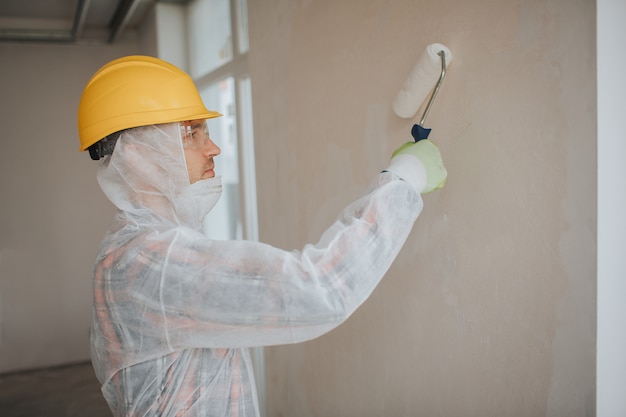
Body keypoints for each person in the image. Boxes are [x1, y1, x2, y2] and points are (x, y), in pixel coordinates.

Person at [77, 55, 447, 417]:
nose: (214, 148)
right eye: (191, 133)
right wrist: (402, 184)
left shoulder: (130, 247)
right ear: (139, 154)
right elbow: (317, 291)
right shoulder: (150, 258)